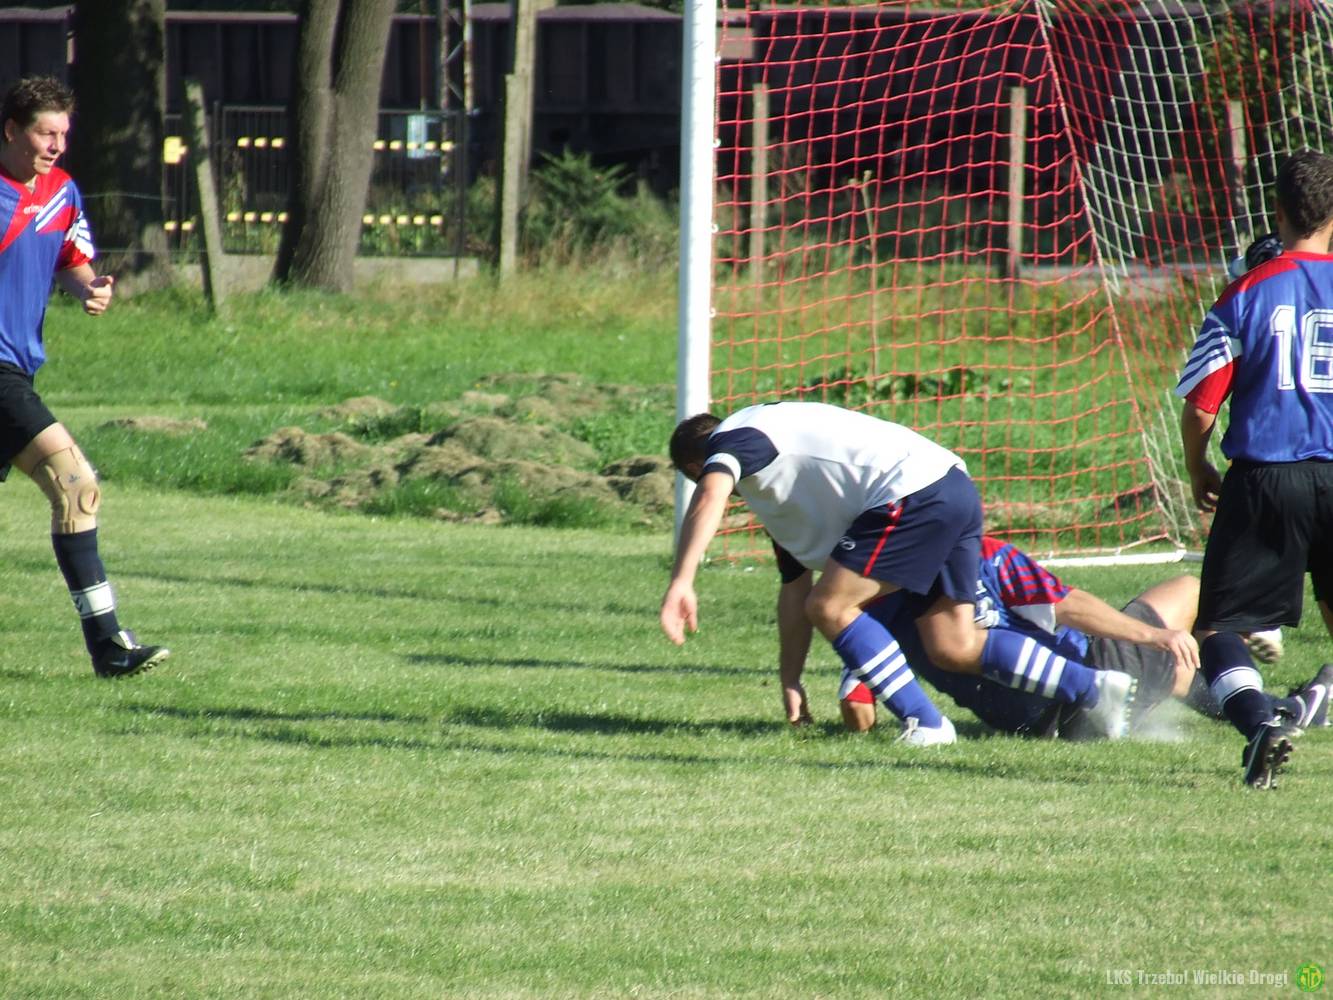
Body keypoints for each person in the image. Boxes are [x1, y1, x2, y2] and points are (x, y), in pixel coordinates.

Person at [660, 402, 1163, 745]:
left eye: (699, 476)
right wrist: (790, 680)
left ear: (697, 467)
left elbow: (712, 493)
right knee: (953, 644)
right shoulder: (787, 489)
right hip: (950, 484)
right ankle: (1095, 688)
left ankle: (927, 724)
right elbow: (794, 590)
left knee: (832, 606)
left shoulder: (736, 439)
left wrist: (682, 581)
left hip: (910, 493)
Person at [0, 76, 167, 678]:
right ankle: (109, 645)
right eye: (46, 133)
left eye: (63, 134)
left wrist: (90, 288)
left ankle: (108, 648)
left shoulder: (62, 192)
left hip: (18, 368)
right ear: (12, 130)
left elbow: (71, 261)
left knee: (74, 492)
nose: (57, 145)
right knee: (76, 486)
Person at [827, 536, 1328, 737]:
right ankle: (1262, 677)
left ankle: (1280, 706)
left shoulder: (872, 607)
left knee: (1173, 673)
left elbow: (858, 706)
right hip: (1101, 679)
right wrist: (1151, 634)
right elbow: (1066, 604)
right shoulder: (983, 553)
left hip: (1042, 727)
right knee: (1192, 593)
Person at [1176, 149, 1333, 788]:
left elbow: (1200, 404)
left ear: (1277, 210)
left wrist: (1197, 467)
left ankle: (1259, 721)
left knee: (1219, 626)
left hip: (1267, 476)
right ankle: (1316, 697)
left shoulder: (1246, 290)